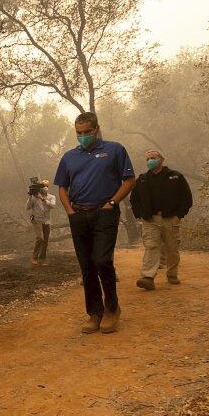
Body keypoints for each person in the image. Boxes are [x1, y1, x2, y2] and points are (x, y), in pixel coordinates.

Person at [54, 112, 135, 334]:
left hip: (105, 212)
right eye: (78, 133)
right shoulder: (69, 157)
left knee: (101, 260)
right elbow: (62, 187)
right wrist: (70, 212)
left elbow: (129, 179)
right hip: (79, 214)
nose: (83, 136)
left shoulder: (115, 150)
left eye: (87, 132)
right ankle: (94, 313)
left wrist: (112, 202)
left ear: (96, 129)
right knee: (87, 267)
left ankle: (112, 308)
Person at [129, 149, 193, 290]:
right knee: (151, 246)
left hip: (171, 219)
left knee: (172, 248)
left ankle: (172, 274)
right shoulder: (142, 179)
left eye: (153, 158)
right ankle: (148, 277)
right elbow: (134, 199)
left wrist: (179, 215)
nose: (150, 161)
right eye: (148, 159)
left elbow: (187, 198)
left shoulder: (175, 177)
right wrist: (140, 214)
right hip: (150, 220)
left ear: (161, 160)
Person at [25, 179, 57, 265]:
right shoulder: (34, 197)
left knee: (45, 240)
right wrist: (30, 196)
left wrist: (42, 199)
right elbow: (27, 207)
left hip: (46, 221)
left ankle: (42, 260)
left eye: (46, 186)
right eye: (43, 186)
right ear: (40, 188)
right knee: (40, 238)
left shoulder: (51, 197)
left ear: (48, 187)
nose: (45, 188)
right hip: (36, 220)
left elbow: (52, 205)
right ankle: (34, 257)